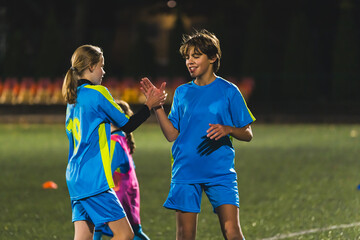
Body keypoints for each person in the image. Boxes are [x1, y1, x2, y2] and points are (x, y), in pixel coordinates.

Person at [140, 29, 255, 240]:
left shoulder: (229, 91)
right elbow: (171, 134)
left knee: (232, 232)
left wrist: (228, 129)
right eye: (187, 57)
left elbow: (248, 133)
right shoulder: (182, 92)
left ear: (213, 57)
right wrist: (157, 108)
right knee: (185, 236)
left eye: (196, 55)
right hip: (186, 171)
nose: (189, 62)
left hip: (220, 172)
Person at [63, 44, 166, 240]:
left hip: (74, 177)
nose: (103, 71)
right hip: (94, 180)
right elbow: (127, 125)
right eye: (101, 66)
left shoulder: (72, 99)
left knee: (84, 236)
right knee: (124, 234)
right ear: (91, 66)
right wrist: (149, 106)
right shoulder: (97, 93)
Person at [93, 100, 150, 240]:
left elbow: (106, 173)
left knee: (104, 228)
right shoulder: (121, 138)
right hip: (127, 195)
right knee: (135, 232)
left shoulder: (114, 142)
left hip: (118, 198)